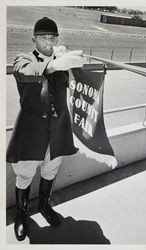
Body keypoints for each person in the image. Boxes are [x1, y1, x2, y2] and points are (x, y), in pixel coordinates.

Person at [6, 17, 86, 241]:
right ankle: (21, 214)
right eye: (43, 37)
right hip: (31, 132)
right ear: (34, 39)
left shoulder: (62, 60)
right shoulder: (24, 58)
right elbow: (24, 71)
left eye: (53, 37)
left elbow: (78, 84)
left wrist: (69, 62)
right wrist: (53, 64)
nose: (48, 42)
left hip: (58, 129)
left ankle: (44, 205)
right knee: (24, 175)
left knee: (50, 170)